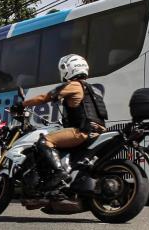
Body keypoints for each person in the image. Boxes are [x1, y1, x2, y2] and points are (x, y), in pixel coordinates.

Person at [15, 54, 107, 189]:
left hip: (82, 131)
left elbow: (45, 97)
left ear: (68, 69)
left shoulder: (73, 85)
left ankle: (59, 172)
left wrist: (22, 104)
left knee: (44, 141)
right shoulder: (93, 89)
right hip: (98, 131)